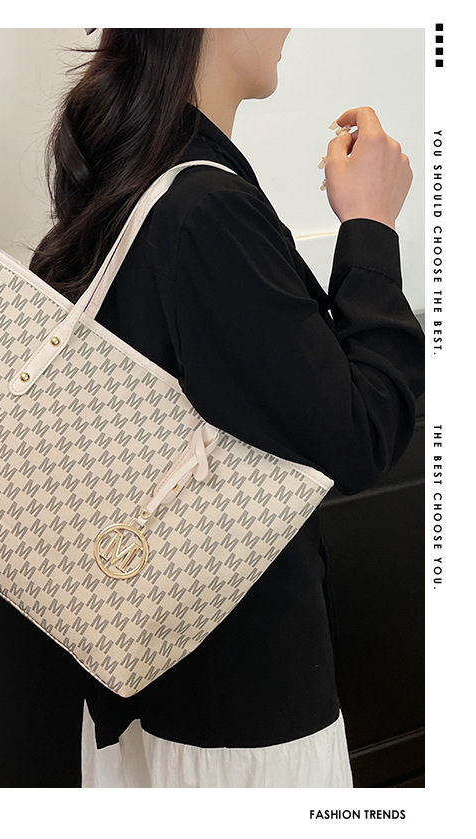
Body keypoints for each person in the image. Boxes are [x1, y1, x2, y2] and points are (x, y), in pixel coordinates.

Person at [30, 29, 424, 788]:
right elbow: (361, 433)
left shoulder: (130, 171)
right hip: (239, 724)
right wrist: (371, 225)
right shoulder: (203, 209)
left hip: (139, 685)